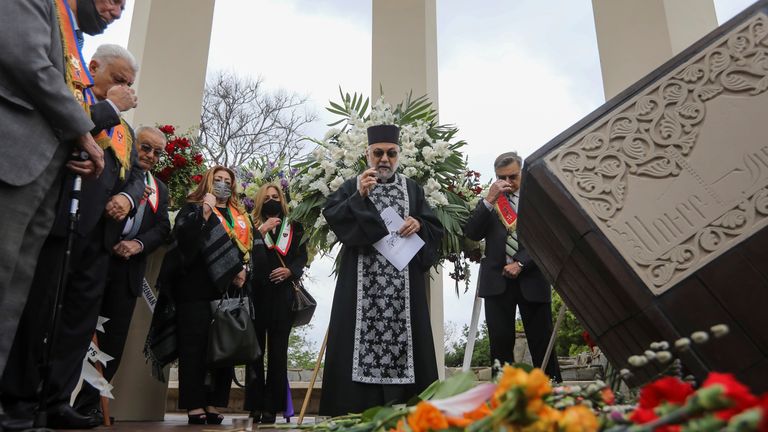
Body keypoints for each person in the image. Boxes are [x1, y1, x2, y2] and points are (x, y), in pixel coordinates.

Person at [0, 42, 145, 430]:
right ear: (92, 67)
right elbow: (68, 129)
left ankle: (57, 399)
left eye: (129, 84)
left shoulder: (125, 133)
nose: (125, 89)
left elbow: (136, 178)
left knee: (77, 324)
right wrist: (110, 106)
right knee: (39, 314)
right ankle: (19, 400)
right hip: (58, 225)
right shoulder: (73, 100)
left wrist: (128, 200)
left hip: (100, 239)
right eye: (118, 80)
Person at [319, 125, 444, 416]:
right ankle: (356, 409)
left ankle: (405, 409)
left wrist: (419, 225)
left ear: (399, 155)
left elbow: (433, 227)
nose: (384, 159)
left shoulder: (412, 188)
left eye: (391, 153)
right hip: (361, 282)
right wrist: (358, 197)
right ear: (368, 154)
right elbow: (333, 215)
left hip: (403, 286)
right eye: (378, 153)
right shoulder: (353, 185)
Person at [72, 126, 170, 423]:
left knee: (112, 345)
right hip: (95, 263)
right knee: (74, 335)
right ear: (133, 144)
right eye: (146, 147)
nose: (151, 156)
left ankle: (87, 406)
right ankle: (52, 402)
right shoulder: (115, 169)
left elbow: (163, 228)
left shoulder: (160, 189)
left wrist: (137, 244)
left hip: (128, 272)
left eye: (157, 152)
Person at [463, 152, 562, 382]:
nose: (507, 183)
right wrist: (488, 200)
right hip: (497, 282)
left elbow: (546, 238)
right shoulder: (491, 201)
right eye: (501, 178)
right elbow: (472, 233)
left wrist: (521, 263)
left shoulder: (538, 200)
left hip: (532, 278)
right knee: (499, 343)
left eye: (513, 177)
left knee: (542, 342)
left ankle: (552, 391)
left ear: (523, 174)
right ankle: (503, 394)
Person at [170, 166, 251, 425]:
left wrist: (243, 269)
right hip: (194, 288)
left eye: (228, 181)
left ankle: (214, 402)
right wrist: (205, 211)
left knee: (224, 347)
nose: (223, 185)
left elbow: (248, 249)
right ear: (208, 182)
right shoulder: (192, 208)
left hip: (227, 289)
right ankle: (194, 404)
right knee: (193, 347)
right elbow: (183, 241)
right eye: (218, 180)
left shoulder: (239, 216)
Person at [245, 184, 308, 424]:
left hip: (283, 296)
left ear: (282, 200)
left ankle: (272, 406)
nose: (272, 201)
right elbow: (243, 253)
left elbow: (303, 257)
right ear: (259, 201)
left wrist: (290, 270)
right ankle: (254, 404)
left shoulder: (295, 227)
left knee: (278, 353)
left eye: (276, 197)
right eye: (267, 198)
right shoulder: (250, 226)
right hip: (256, 294)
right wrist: (260, 231)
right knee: (254, 352)